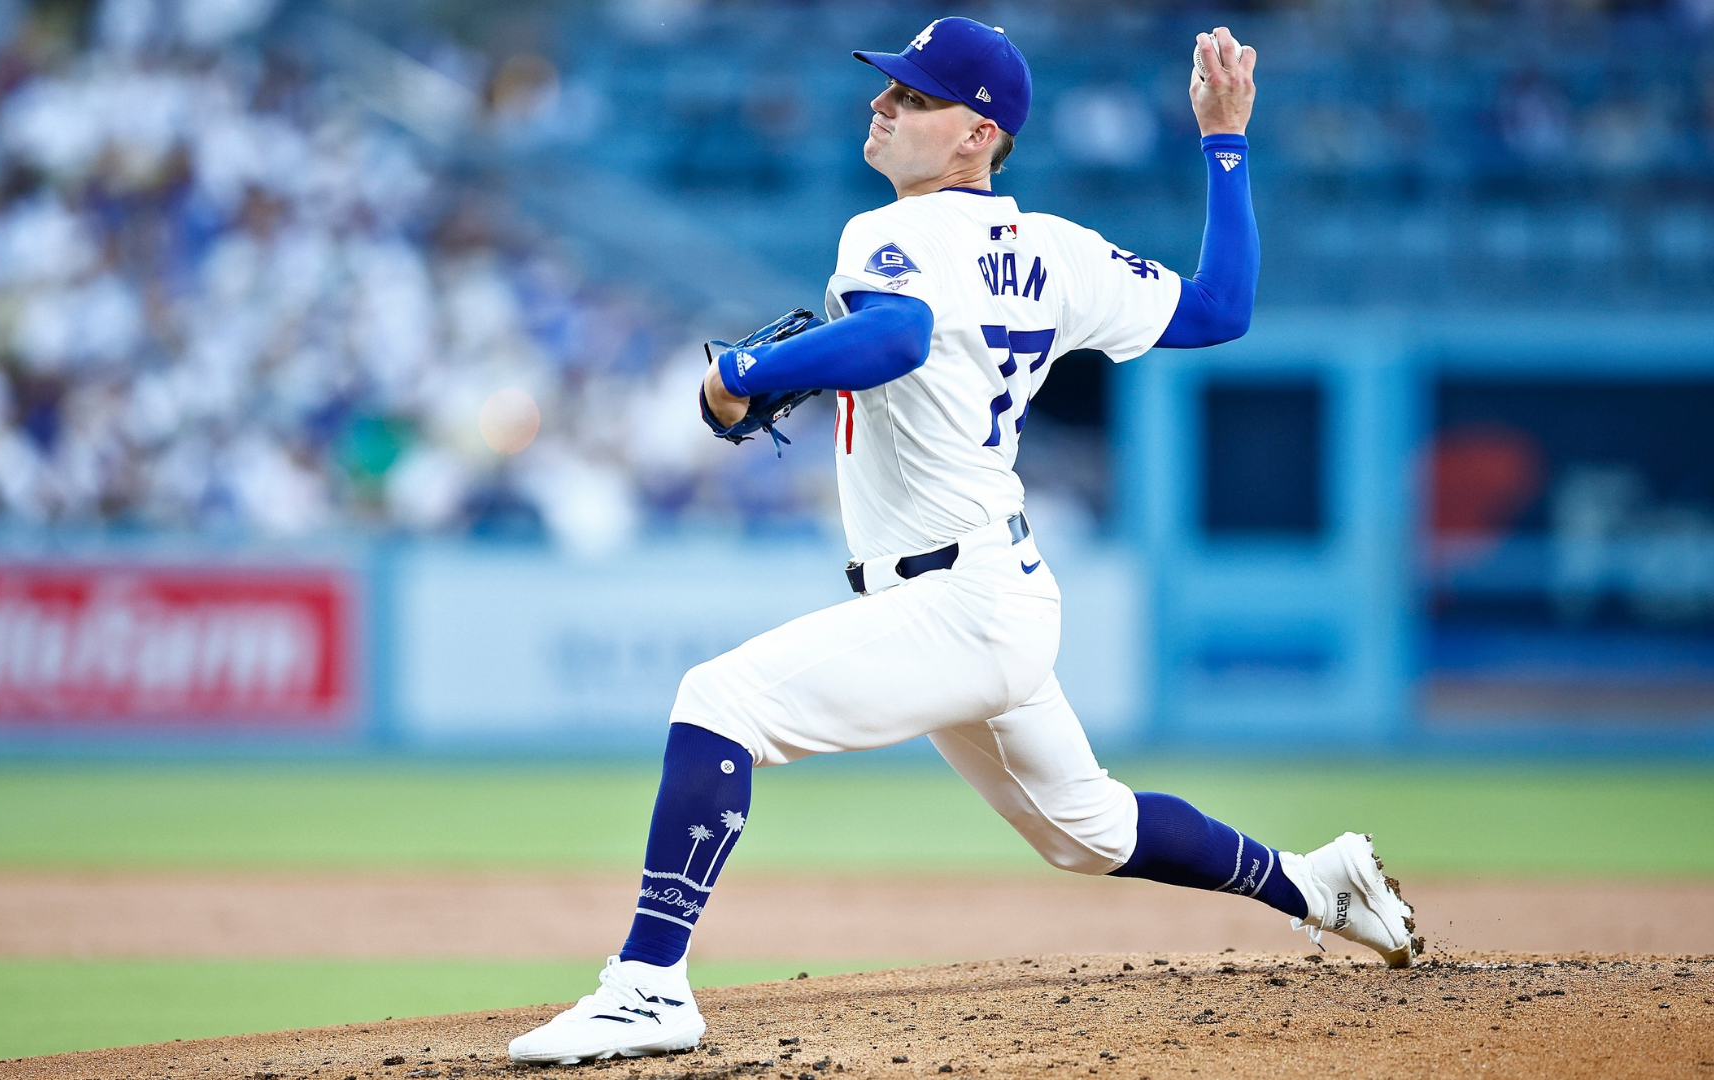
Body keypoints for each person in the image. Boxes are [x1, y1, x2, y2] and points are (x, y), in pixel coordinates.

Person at [507, 18, 1419, 1065]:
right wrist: (1225, 142)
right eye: (890, 90)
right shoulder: (1058, 251)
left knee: (720, 701)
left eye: (913, 98)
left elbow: (897, 336)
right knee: (1090, 833)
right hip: (996, 586)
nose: (883, 107)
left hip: (959, 601)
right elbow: (1221, 310)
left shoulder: (890, 233)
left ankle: (647, 986)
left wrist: (744, 376)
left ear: (977, 135)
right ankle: (1317, 882)